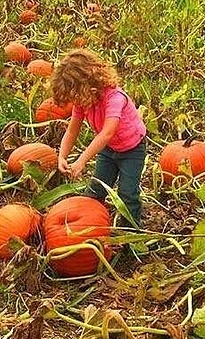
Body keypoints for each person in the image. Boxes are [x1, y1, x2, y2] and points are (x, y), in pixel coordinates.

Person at [51, 49, 147, 228]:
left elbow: (107, 133)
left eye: (75, 95)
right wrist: (62, 156)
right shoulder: (83, 102)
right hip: (109, 150)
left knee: (127, 194)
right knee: (95, 190)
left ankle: (133, 234)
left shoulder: (115, 98)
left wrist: (81, 162)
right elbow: (72, 130)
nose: (74, 101)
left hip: (132, 150)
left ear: (87, 84)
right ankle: (90, 228)